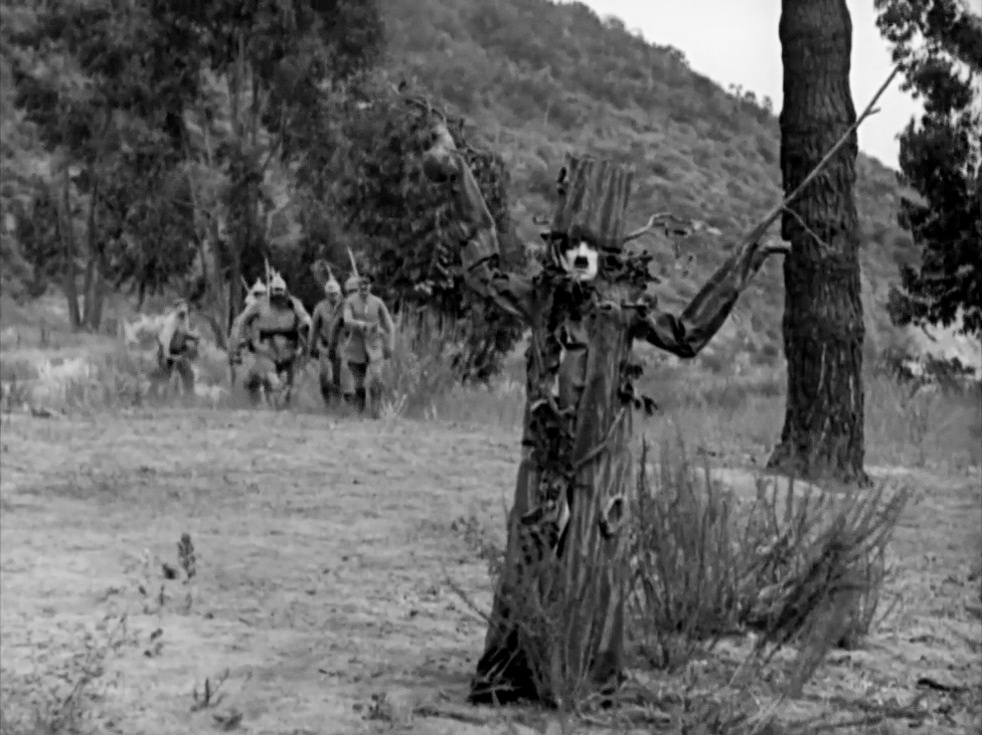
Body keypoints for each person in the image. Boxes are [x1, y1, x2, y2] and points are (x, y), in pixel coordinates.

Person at [229, 271, 312, 407]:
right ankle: (262, 399)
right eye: (275, 292)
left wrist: (307, 328)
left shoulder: (294, 303)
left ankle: (285, 406)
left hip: (289, 349)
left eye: (281, 292)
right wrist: (238, 343)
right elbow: (242, 320)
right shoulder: (259, 304)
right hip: (265, 350)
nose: (278, 296)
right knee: (267, 377)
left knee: (291, 386)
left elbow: (306, 319)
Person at [341, 274, 394, 415]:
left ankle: (376, 410)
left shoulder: (377, 302)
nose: (363, 286)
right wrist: (360, 324)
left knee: (376, 377)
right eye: (361, 283)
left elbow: (389, 325)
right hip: (355, 346)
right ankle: (359, 409)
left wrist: (390, 345)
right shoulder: (350, 302)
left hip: (374, 345)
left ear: (371, 285)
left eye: (367, 283)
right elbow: (347, 320)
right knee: (358, 383)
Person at [308, 274, 346, 407]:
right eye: (330, 294)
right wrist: (311, 346)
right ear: (326, 294)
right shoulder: (320, 307)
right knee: (324, 375)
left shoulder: (346, 306)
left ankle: (337, 404)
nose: (333, 297)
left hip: (341, 346)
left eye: (335, 294)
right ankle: (327, 402)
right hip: (324, 346)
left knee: (337, 377)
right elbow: (314, 328)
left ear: (339, 293)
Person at [152, 299, 200, 397]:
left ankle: (190, 397)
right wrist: (167, 356)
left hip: (178, 350)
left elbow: (184, 331)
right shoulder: (171, 321)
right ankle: (155, 394)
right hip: (166, 351)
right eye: (181, 307)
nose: (183, 309)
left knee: (188, 374)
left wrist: (194, 336)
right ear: (176, 308)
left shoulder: (184, 317)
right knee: (164, 376)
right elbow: (165, 339)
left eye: (185, 307)